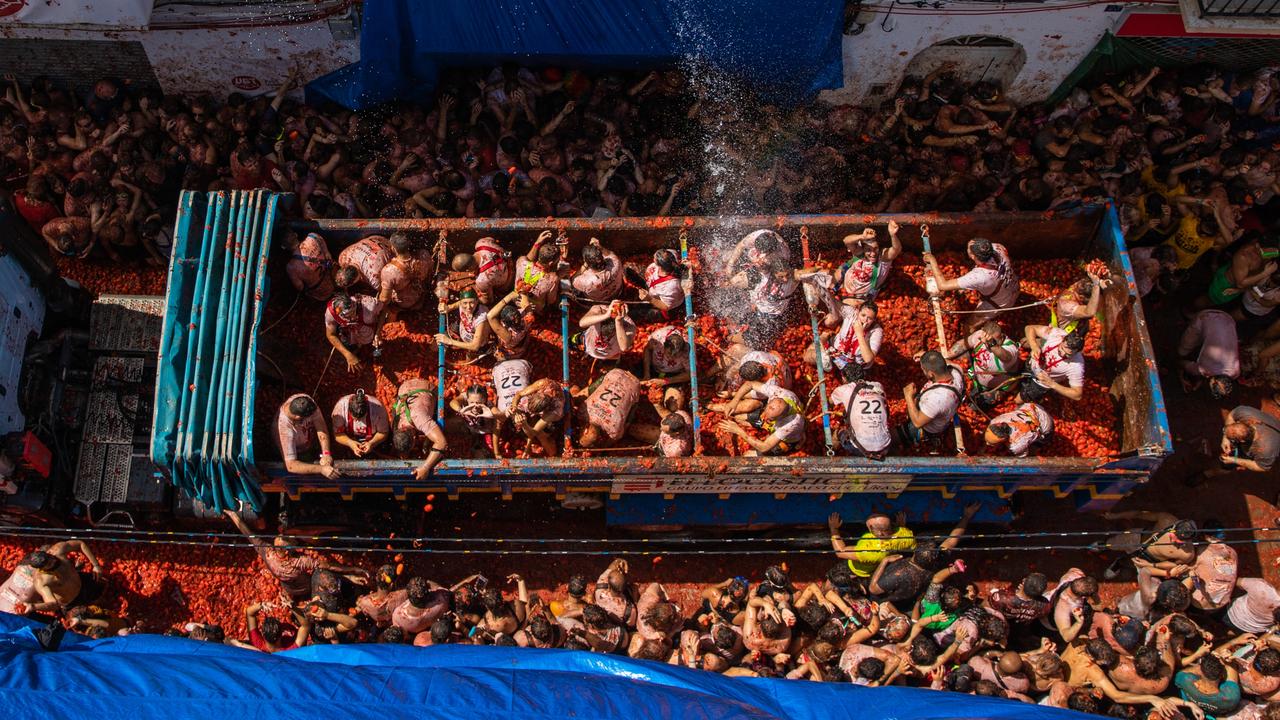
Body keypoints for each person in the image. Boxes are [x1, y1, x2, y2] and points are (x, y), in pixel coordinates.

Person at [224, 510, 368, 602]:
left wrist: (235, 516)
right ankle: (351, 582)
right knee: (322, 574)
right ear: (287, 551)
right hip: (308, 587)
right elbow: (329, 565)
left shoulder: (268, 553)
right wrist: (352, 570)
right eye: (291, 539)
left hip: (289, 588)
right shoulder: (299, 563)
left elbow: (249, 535)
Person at [923, 237, 1021, 321]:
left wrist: (932, 261)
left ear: (973, 256)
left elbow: (943, 286)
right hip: (1014, 287)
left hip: (1002, 302)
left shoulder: (979, 277)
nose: (970, 243)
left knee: (970, 325)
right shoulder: (998, 247)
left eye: (969, 249)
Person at [0, 541, 105, 614]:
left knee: (103, 588)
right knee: (86, 614)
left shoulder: (58, 550)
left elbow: (80, 544)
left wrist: (96, 565)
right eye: (49, 563)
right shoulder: (41, 581)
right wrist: (33, 607)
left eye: (50, 558)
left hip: (82, 581)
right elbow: (53, 604)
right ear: (42, 569)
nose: (53, 561)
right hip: (71, 601)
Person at [944, 321, 1022, 409]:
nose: (997, 341)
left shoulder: (1011, 348)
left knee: (976, 406)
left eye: (997, 339)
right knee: (959, 361)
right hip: (975, 373)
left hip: (995, 387)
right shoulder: (980, 335)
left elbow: (1006, 357)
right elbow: (963, 345)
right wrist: (945, 356)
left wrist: (992, 344)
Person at [897, 350, 965, 448]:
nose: (922, 371)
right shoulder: (956, 370)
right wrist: (926, 356)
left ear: (931, 374)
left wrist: (908, 397)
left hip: (927, 427)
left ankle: (922, 440)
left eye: (923, 370)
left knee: (895, 435)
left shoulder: (938, 399)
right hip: (939, 413)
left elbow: (917, 422)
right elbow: (944, 362)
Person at [716, 384, 806, 456]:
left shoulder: (791, 424)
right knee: (738, 418)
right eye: (766, 411)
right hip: (774, 425)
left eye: (770, 418)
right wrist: (734, 400)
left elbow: (764, 447)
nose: (765, 417)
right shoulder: (778, 392)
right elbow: (750, 384)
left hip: (786, 440)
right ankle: (766, 424)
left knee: (748, 455)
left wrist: (738, 431)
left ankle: (797, 444)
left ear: (781, 417)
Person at [828, 362, 891, 460]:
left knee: (837, 433)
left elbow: (830, 402)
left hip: (860, 448)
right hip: (885, 446)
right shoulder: (878, 386)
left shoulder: (843, 390)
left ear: (844, 378)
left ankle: (830, 454)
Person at [827, 511, 916, 580]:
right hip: (877, 563)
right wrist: (901, 527)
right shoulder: (906, 535)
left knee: (833, 577)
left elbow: (840, 552)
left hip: (856, 569)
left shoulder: (869, 551)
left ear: (874, 530)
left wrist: (833, 528)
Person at [391, 378, 448, 480]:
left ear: (414, 436)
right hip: (404, 387)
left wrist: (425, 467)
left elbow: (442, 443)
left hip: (427, 387)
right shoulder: (396, 423)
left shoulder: (419, 419)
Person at [835, 220, 903, 305]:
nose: (873, 253)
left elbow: (896, 249)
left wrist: (893, 235)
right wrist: (862, 236)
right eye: (868, 250)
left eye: (876, 249)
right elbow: (846, 240)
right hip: (841, 288)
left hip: (859, 299)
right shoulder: (859, 252)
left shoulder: (883, 258)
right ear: (863, 248)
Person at [273, 394, 339, 478]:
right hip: (297, 452)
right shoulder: (284, 430)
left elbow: (321, 428)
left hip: (308, 442)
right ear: (298, 417)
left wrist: (326, 453)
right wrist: (321, 469)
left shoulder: (305, 402)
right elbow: (291, 465)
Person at [576, 368, 645, 449]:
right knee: (593, 390)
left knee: (630, 411)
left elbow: (617, 437)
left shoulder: (614, 430)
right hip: (615, 374)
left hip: (635, 385)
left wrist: (604, 447)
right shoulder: (583, 411)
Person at [1178, 309, 1240, 399]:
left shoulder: (1235, 372)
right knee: (1182, 351)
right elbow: (1182, 364)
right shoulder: (1206, 369)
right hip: (1206, 316)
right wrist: (1180, 375)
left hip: (1228, 319)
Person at [807, 301, 883, 372]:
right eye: (863, 315)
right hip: (835, 351)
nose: (865, 320)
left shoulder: (877, 331)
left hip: (855, 365)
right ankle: (825, 337)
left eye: (870, 318)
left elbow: (868, 359)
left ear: (874, 320)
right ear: (858, 312)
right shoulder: (852, 314)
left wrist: (860, 333)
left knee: (851, 381)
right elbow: (832, 301)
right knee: (808, 356)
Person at [1020, 325, 1086, 402]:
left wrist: (1052, 384)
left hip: (1041, 383)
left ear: (1077, 352)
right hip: (1032, 363)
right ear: (1062, 340)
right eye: (1062, 349)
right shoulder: (1057, 334)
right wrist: (1034, 346)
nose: (1063, 354)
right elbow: (1029, 328)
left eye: (1068, 354)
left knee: (1019, 400)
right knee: (1018, 377)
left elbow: (1077, 395)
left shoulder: (1077, 366)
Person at [324, 292, 384, 372]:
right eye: (347, 316)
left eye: (353, 312)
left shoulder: (369, 304)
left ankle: (365, 348)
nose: (352, 318)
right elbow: (330, 334)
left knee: (367, 342)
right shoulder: (331, 313)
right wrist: (347, 354)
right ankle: (356, 349)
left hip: (367, 331)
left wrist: (378, 332)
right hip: (348, 332)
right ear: (339, 315)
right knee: (347, 343)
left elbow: (384, 311)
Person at [509, 377, 566, 456]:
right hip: (546, 396)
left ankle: (552, 451)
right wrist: (514, 407)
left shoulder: (553, 413)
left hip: (555, 418)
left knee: (540, 435)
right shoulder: (542, 384)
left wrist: (524, 424)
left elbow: (534, 433)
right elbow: (519, 394)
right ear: (534, 394)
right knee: (522, 414)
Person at [378, 231, 433, 311]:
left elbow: (384, 299)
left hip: (402, 304)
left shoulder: (389, 271)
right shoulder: (424, 254)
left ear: (393, 248)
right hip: (421, 295)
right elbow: (430, 271)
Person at [641, 325, 691, 411]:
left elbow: (690, 374)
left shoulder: (688, 351)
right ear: (663, 345)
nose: (671, 357)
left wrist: (665, 381)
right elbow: (647, 349)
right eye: (668, 353)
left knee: (674, 407)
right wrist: (647, 373)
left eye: (675, 355)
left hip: (674, 375)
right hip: (654, 367)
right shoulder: (657, 338)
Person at [330, 389, 390, 458]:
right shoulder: (340, 409)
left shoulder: (378, 410)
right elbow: (337, 435)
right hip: (349, 440)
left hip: (372, 441)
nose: (357, 421)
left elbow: (383, 433)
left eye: (361, 418)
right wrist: (350, 443)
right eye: (354, 418)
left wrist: (372, 443)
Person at [514, 230, 562, 314]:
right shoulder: (552, 279)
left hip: (516, 302)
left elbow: (528, 259)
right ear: (550, 263)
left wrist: (537, 242)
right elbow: (551, 301)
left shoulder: (521, 262)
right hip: (535, 310)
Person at [1175, 655, 1242, 716]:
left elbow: (1183, 672)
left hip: (1189, 709)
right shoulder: (1231, 697)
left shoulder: (1185, 680)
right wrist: (1229, 658)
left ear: (1200, 671)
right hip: (1213, 713)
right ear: (1222, 675)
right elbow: (1231, 668)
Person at [984, 402, 1054, 458]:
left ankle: (1041, 444)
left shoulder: (1016, 445)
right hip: (1033, 407)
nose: (987, 444)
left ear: (1005, 439)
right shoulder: (996, 421)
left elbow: (1024, 455)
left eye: (993, 444)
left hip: (1046, 423)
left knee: (1040, 443)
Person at [436, 289, 492, 357]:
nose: (468, 307)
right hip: (463, 329)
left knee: (470, 358)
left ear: (477, 301)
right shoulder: (462, 303)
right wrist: (448, 307)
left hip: (475, 343)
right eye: (465, 303)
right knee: (435, 347)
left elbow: (475, 346)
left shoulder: (481, 318)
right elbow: (459, 303)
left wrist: (449, 341)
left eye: (471, 302)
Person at [449, 385, 501, 458]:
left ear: (485, 400)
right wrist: (461, 410)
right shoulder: (465, 396)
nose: (475, 406)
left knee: (487, 453)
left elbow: (499, 414)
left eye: (479, 403)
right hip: (470, 428)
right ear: (467, 399)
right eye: (472, 402)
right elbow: (453, 402)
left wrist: (492, 415)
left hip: (485, 431)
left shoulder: (489, 405)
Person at [284, 230, 335, 302]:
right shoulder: (313, 237)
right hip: (335, 277)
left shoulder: (291, 267)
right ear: (296, 234)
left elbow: (300, 287)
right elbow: (326, 252)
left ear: (283, 247)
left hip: (323, 293)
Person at [571, 237, 625, 302]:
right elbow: (610, 254)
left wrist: (584, 266)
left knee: (573, 290)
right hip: (617, 294)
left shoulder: (585, 281)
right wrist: (600, 247)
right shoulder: (616, 263)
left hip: (597, 302)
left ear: (586, 262)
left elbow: (572, 279)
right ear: (602, 257)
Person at [245, 601, 310, 652]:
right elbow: (306, 626)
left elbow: (249, 612)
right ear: (282, 633)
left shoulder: (257, 644)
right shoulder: (292, 648)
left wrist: (262, 605)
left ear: (263, 634)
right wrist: (292, 607)